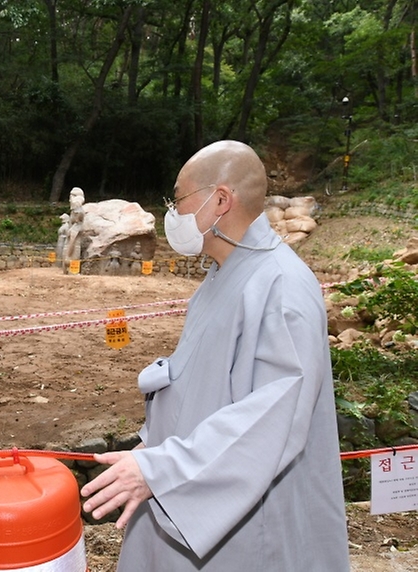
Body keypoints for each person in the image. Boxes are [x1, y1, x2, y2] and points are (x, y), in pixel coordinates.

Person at [81, 141, 349, 570]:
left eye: (179, 199)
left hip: (240, 514)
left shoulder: (281, 287)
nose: (172, 212)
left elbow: (270, 418)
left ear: (220, 199)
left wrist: (163, 469)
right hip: (185, 468)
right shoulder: (226, 273)